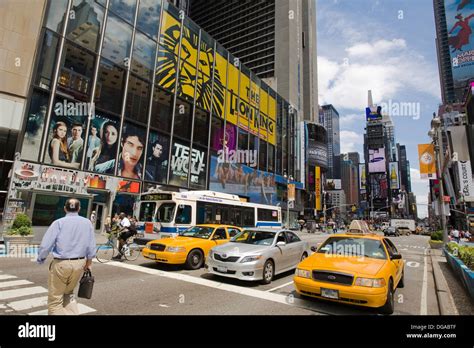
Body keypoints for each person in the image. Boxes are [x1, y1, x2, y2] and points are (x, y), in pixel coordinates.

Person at [36, 198, 96, 315]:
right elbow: (91, 245)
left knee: (55, 299)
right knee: (69, 293)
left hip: (62, 264)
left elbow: (46, 245)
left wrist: (41, 258)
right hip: (79, 264)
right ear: (79, 209)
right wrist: (89, 263)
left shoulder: (59, 223)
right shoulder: (87, 223)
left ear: (65, 208)